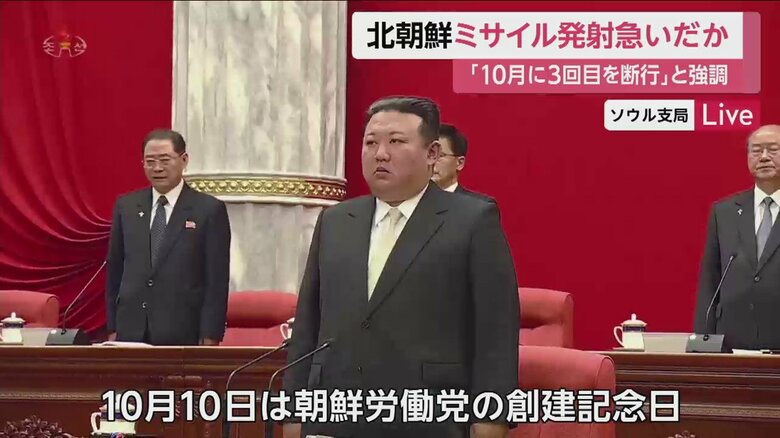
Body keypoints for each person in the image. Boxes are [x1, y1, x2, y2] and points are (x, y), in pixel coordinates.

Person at [282, 96, 519, 438]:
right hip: (334, 417)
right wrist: (293, 411)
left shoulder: (472, 220)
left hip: (428, 419)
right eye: (370, 143)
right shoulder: (336, 220)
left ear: (432, 153)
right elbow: (308, 325)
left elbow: (495, 331)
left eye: (395, 142)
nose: (380, 154)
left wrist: (491, 420)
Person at [105, 129, 231, 346]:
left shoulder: (209, 210)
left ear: (184, 160)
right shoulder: (126, 207)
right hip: (131, 330)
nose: (157, 168)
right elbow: (114, 271)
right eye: (150, 161)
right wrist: (112, 327)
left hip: (184, 332)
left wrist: (211, 335)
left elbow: (217, 281)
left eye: (165, 160)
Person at [695, 124, 780, 350]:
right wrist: (703, 342)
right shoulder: (724, 211)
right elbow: (710, 280)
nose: (764, 157)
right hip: (732, 341)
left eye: (773, 149)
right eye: (756, 150)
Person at [432, 123, 496, 204]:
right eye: (427, 155)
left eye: (440, 155)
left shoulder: (480, 206)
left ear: (460, 163)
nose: (430, 162)